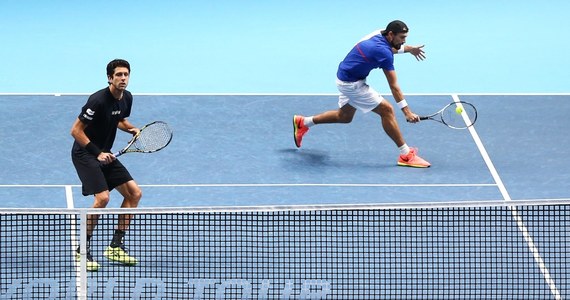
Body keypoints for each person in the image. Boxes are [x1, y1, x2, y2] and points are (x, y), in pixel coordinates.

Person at [293, 20, 430, 168]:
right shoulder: (383, 53)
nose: (404, 41)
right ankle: (406, 155)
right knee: (387, 110)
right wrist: (407, 112)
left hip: (345, 75)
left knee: (344, 117)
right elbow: (394, 86)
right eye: (402, 38)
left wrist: (409, 49)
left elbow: (391, 49)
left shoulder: (379, 34)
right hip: (351, 84)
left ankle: (303, 122)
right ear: (391, 34)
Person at [70, 59, 142, 271]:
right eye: (118, 75)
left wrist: (132, 129)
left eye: (126, 74)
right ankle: (81, 250)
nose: (123, 78)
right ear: (109, 78)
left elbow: (118, 119)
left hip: (105, 154)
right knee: (102, 198)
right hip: (85, 153)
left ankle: (115, 246)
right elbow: (75, 131)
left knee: (134, 194)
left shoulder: (126, 98)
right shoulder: (98, 100)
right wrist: (97, 153)